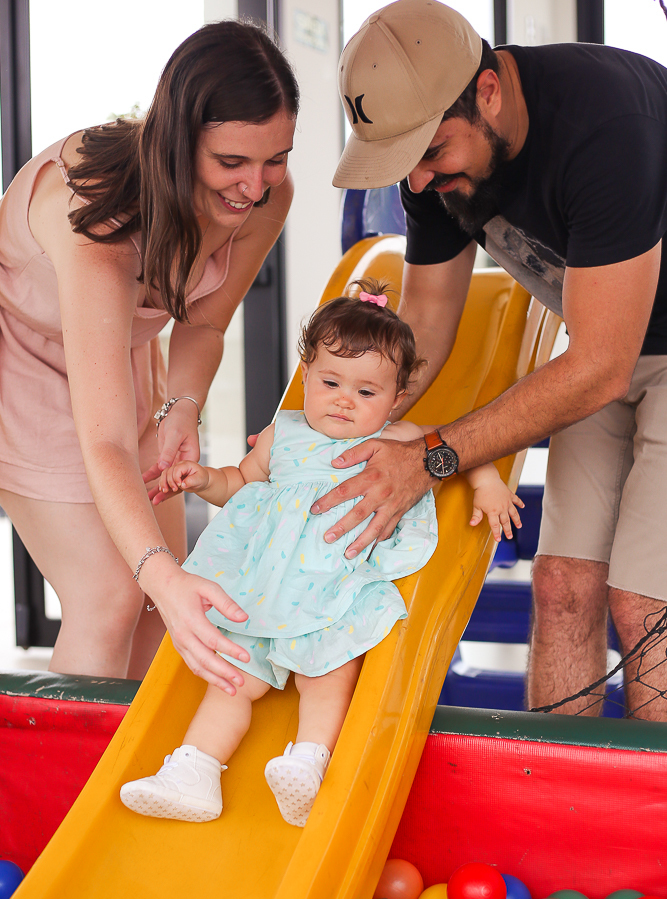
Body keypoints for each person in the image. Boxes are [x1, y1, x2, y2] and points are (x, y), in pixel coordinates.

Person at [320, 0, 667, 721]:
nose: (415, 181)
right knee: (562, 586)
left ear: (487, 93)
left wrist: (431, 457)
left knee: (644, 604)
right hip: (600, 344)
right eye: (403, 162)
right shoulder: (428, 169)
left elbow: (601, 366)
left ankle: (647, 823)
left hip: (616, 353)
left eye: (432, 153)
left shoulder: (603, 125)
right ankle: (555, 810)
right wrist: (336, 428)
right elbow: (426, 326)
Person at [119, 279, 523, 826]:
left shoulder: (402, 436)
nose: (343, 400)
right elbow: (241, 481)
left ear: (397, 398)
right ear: (305, 375)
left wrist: (486, 484)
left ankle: (308, 763)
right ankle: (194, 771)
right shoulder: (280, 434)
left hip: (333, 583)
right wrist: (203, 479)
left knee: (329, 672)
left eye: (366, 393)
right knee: (232, 677)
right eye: (330, 381)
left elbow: (458, 446)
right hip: (261, 583)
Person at [0, 20, 298, 683]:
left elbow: (205, 323)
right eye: (230, 163)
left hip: (117, 355)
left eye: (274, 157)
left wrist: (182, 406)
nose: (255, 186)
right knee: (112, 595)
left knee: (165, 607)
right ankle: (69, 788)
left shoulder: (267, 195)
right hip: (19, 358)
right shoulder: (98, 224)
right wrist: (154, 570)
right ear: (175, 145)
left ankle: (130, 781)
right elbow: (103, 441)